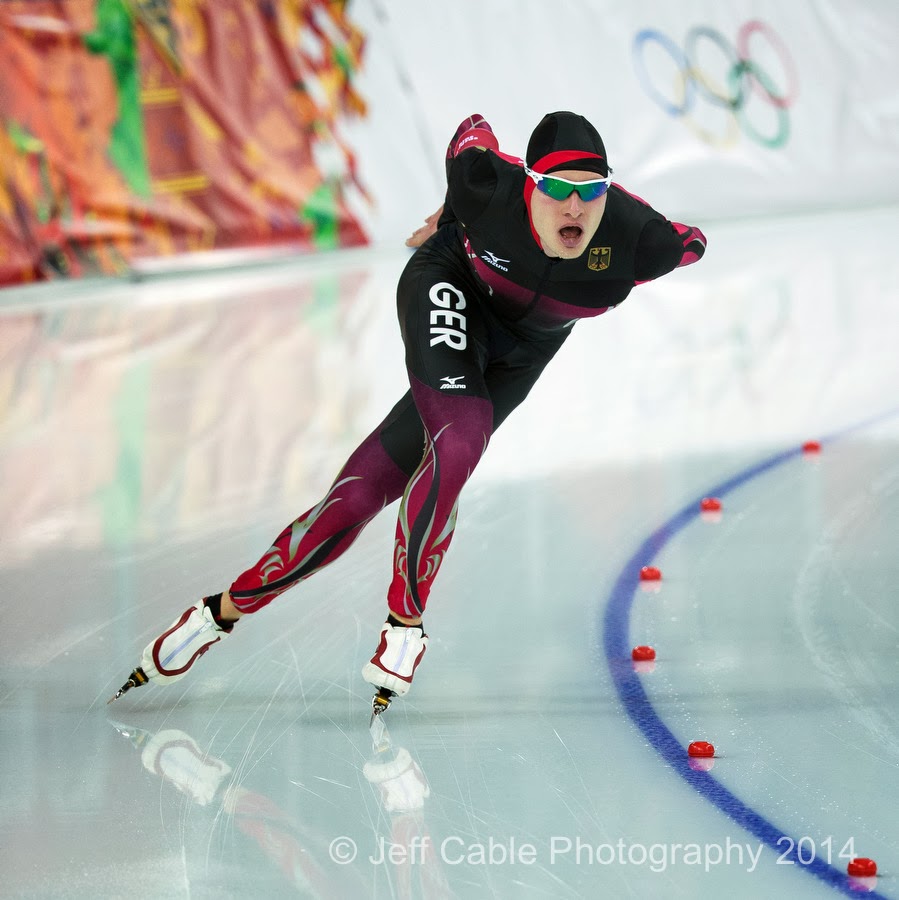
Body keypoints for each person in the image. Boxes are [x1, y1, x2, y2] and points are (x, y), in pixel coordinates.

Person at [112, 111, 706, 707]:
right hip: (449, 285)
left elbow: (694, 242)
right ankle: (404, 626)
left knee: (354, 501)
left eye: (591, 191)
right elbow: (472, 128)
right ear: (530, 182)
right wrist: (455, 213)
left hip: (521, 356)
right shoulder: (485, 185)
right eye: (556, 187)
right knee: (459, 442)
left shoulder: (639, 241)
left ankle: (214, 615)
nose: (574, 206)